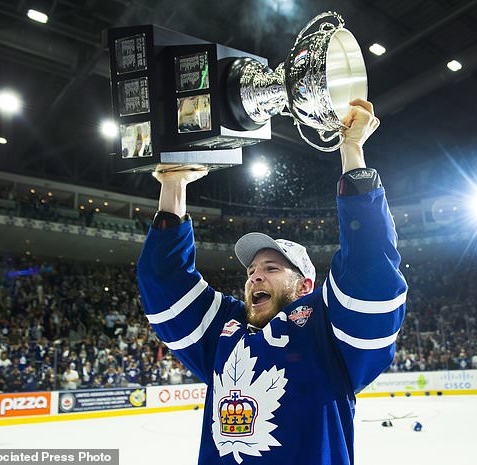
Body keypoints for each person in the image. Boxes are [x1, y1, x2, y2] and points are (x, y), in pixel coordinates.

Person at [137, 99, 407, 465]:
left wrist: (352, 150)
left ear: (305, 286)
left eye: (272, 268)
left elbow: (372, 270)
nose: (255, 276)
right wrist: (174, 183)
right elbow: (163, 283)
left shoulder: (327, 331)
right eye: (251, 271)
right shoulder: (225, 330)